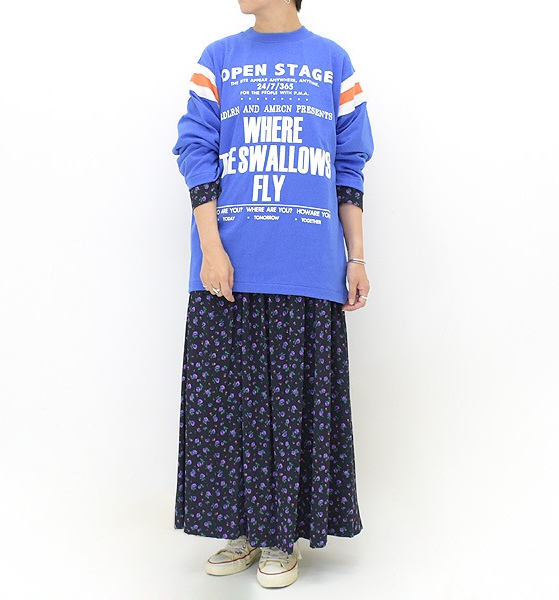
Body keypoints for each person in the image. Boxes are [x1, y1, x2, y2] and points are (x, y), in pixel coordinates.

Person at [171, 0, 374, 589]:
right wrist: (211, 248)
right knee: (226, 408)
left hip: (306, 264)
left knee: (292, 409)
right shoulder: (218, 59)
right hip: (229, 266)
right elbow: (195, 150)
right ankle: (241, 527)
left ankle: (281, 535)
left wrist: (356, 257)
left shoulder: (333, 62)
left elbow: (349, 166)